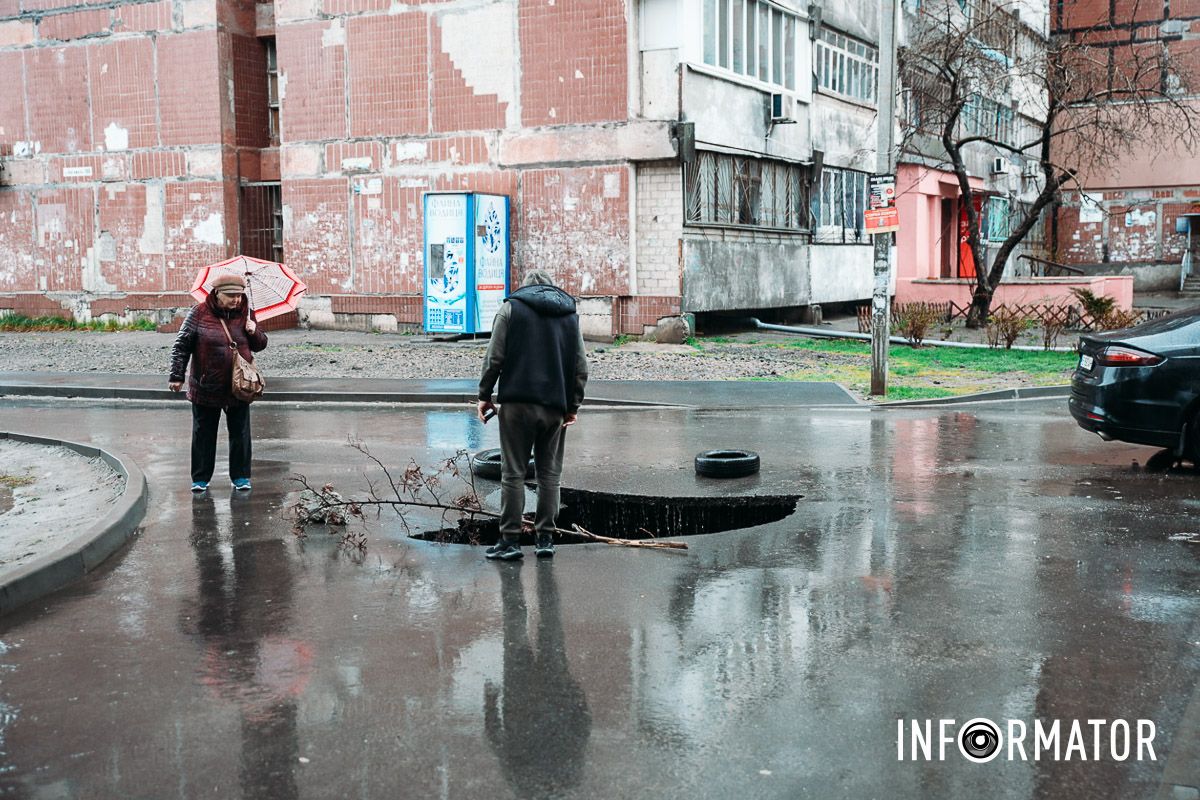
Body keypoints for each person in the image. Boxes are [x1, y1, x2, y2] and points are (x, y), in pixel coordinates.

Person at [478, 270, 588, 560]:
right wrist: (573, 406)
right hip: (555, 407)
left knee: (512, 473)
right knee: (550, 474)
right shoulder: (569, 315)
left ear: (525, 289)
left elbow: (494, 358)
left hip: (516, 405)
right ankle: (545, 540)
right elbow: (581, 367)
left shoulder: (510, 309)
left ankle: (510, 541)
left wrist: (484, 395)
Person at [169, 273, 268, 492]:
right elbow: (181, 346)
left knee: (240, 433)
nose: (236, 300)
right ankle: (200, 478)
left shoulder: (246, 314)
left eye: (240, 296)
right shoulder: (198, 313)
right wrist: (177, 376)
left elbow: (260, 345)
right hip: (206, 385)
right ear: (217, 293)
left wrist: (254, 331)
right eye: (231, 295)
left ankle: (241, 477)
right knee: (203, 433)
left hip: (238, 386)